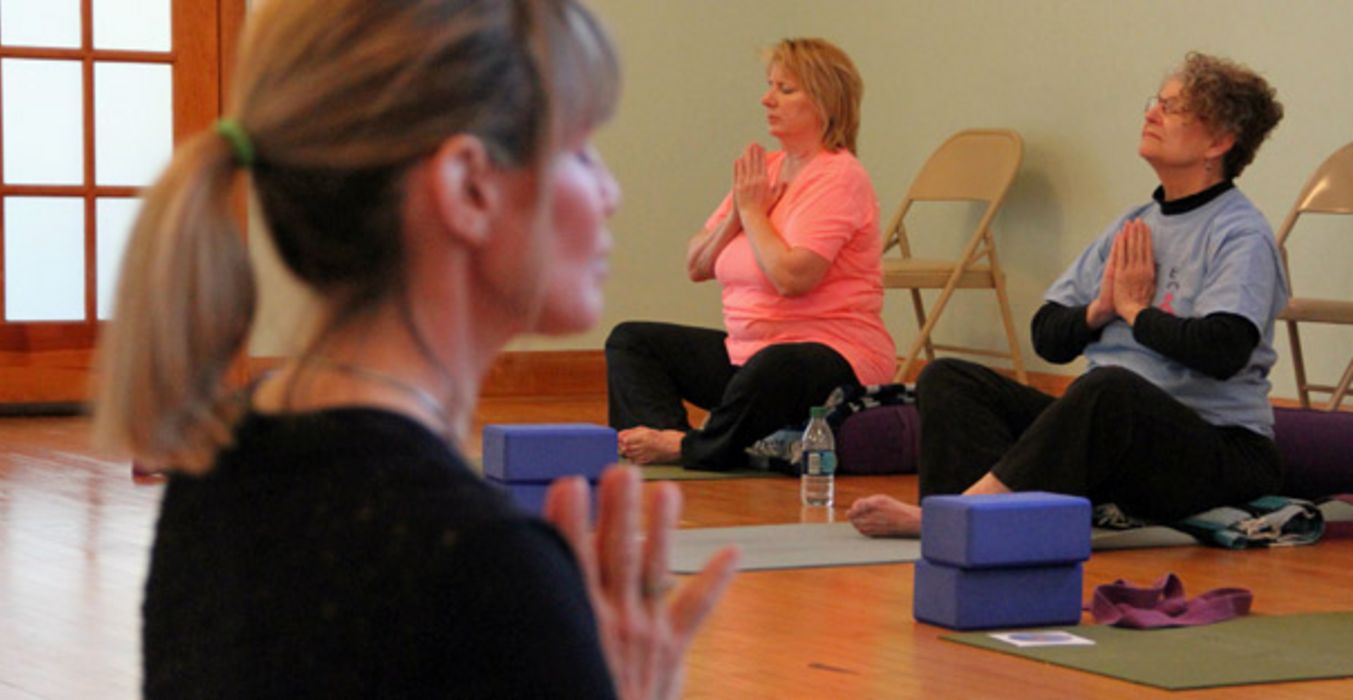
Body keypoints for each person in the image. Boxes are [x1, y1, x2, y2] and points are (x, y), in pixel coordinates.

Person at [92, 0, 738, 696]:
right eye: (579, 150)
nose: (609, 193)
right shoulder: (487, 566)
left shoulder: (218, 463)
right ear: (467, 187)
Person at [849, 52, 1286, 537]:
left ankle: (955, 519)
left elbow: (1222, 350)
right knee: (949, 378)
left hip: (1213, 450)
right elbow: (1048, 336)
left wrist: (1136, 312)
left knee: (1108, 388)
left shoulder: (1240, 233)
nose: (1151, 114)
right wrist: (1100, 310)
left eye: (1174, 108)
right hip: (1111, 439)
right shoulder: (1133, 223)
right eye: (1155, 102)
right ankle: (969, 523)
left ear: (1220, 142)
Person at [607, 38, 896, 471]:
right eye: (770, 86)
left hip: (831, 359)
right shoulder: (766, 171)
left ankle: (693, 448)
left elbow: (792, 278)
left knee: (775, 365)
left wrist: (754, 213)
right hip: (749, 356)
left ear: (824, 100)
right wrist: (737, 215)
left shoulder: (840, 177)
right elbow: (696, 265)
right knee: (631, 341)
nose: (767, 99)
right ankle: (673, 441)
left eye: (785, 89)